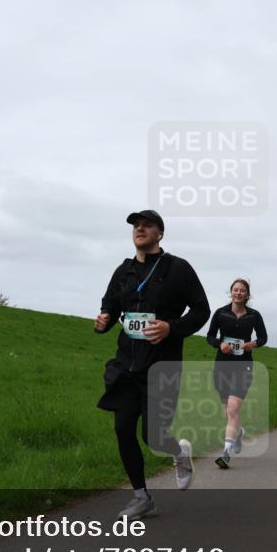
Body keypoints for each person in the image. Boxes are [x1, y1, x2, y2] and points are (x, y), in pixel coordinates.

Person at [95, 210, 210, 520]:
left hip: (163, 364)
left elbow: (201, 310)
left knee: (154, 436)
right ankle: (141, 496)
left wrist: (171, 327)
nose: (139, 229)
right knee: (122, 429)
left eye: (147, 225)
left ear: (160, 233)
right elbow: (109, 305)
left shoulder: (178, 268)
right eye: (135, 225)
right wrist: (104, 320)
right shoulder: (124, 270)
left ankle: (179, 452)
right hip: (126, 364)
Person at [206, 279, 268, 469]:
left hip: (243, 365)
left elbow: (263, 337)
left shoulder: (254, 315)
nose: (238, 293)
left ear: (247, 295)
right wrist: (220, 344)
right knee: (228, 411)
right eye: (235, 290)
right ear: (231, 292)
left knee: (233, 409)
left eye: (242, 290)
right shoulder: (221, 313)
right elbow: (209, 336)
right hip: (222, 365)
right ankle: (238, 433)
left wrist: (253, 344)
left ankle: (225, 454)